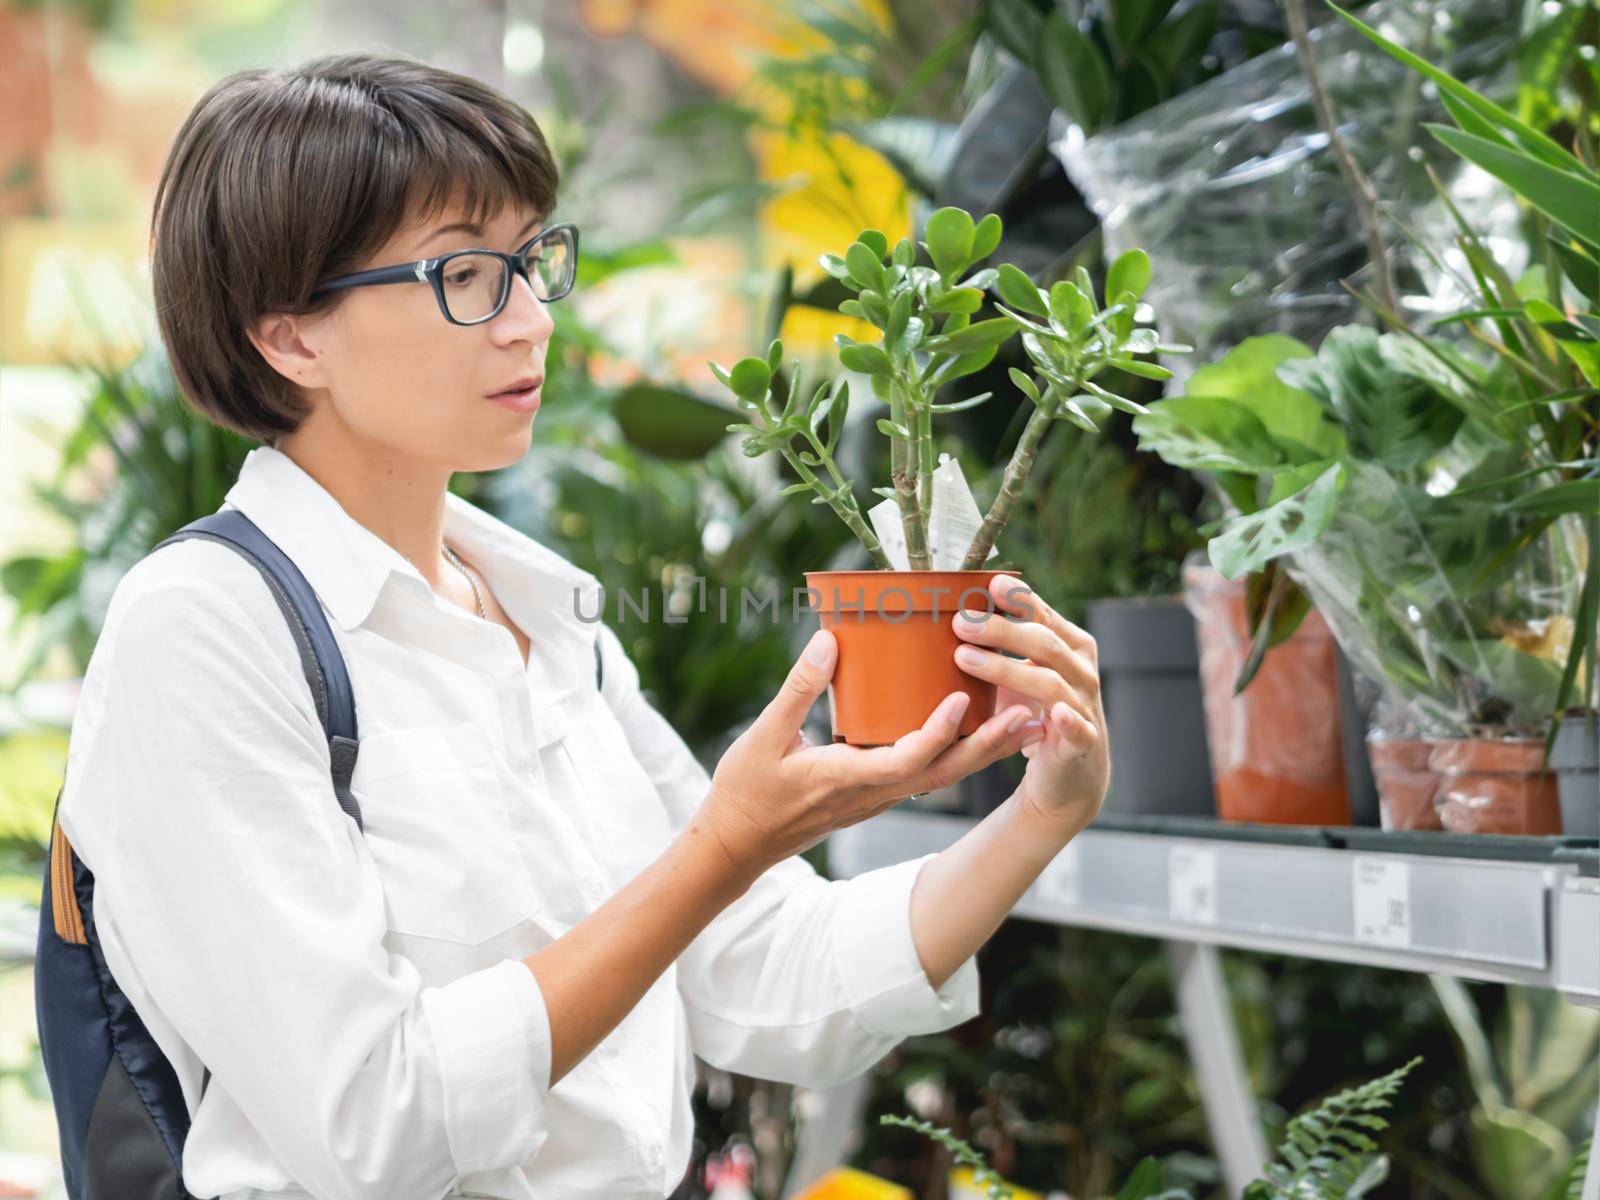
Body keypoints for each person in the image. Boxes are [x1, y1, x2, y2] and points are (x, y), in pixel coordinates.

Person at [58, 51, 1110, 1200]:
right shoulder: (208, 631)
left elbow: (770, 978)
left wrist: (1043, 810)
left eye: (528, 261)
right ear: (289, 336)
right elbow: (374, 1125)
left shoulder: (541, 612)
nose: (527, 322)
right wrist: (721, 851)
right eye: (467, 273)